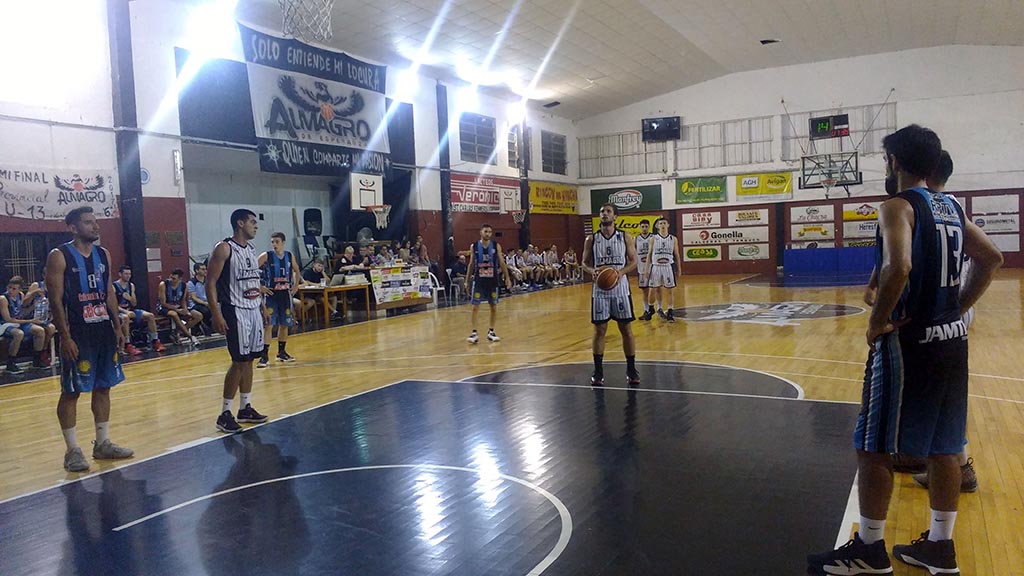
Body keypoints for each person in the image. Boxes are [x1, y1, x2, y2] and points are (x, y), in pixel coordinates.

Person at [808, 126, 1003, 575]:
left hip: (908, 344)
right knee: (945, 448)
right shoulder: (952, 206)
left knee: (874, 447)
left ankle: (869, 550)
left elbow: (899, 266)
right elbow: (991, 258)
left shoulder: (896, 206)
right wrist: (956, 308)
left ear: (894, 161)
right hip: (951, 341)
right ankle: (940, 546)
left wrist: (877, 322)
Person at [45, 206, 134, 472]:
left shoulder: (103, 254)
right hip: (77, 332)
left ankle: (103, 443)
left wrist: (117, 326)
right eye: (88, 222)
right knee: (71, 391)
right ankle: (72, 450)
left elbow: (108, 293)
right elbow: (55, 300)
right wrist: (65, 336)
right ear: (73, 227)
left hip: (103, 330)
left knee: (104, 386)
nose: (96, 226)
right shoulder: (59, 256)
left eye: (96, 222)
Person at [206, 208, 270, 434]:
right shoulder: (224, 248)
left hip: (253, 309)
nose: (256, 226)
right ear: (240, 223)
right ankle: (224, 414)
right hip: (235, 310)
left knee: (250, 360)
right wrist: (216, 313)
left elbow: (253, 282)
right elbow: (210, 282)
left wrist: (262, 307)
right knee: (238, 361)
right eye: (252, 222)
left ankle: (245, 408)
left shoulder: (251, 249)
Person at [582, 203, 640, 387]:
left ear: (615, 216)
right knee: (599, 330)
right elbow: (584, 263)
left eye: (608, 212)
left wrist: (620, 272)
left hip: (621, 289)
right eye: (602, 211)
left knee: (626, 330)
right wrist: (592, 271)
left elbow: (634, 261)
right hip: (599, 291)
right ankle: (598, 372)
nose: (604, 214)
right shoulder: (591, 239)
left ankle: (631, 369)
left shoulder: (625, 236)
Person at [464, 224, 513, 344]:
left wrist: (507, 277)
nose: (488, 234)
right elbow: (471, 264)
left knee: (493, 306)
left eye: (490, 232)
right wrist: (467, 280)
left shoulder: (496, 246)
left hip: (492, 281)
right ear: (481, 232)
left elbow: (501, 262)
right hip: (479, 280)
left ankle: (491, 331)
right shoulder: (474, 246)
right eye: (486, 231)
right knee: (475, 306)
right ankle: (474, 333)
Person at [257, 232, 300, 367]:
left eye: (277, 242)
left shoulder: (289, 255)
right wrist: (260, 287)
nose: (274, 244)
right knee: (269, 325)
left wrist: (296, 285)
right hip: (271, 294)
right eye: (272, 242)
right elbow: (251, 271)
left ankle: (281, 352)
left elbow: (297, 270)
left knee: (284, 324)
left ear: (283, 242)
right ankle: (264, 356)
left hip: (285, 294)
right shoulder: (266, 255)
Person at [1, 276, 49, 373]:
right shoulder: (3, 298)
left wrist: (33, 307)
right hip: (5, 325)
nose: (10, 290)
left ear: (19, 290)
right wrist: (31, 321)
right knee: (19, 334)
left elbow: (22, 313)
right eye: (9, 287)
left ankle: (37, 360)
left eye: (14, 289)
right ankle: (10, 363)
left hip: (19, 322)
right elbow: (8, 319)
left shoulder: (21, 295)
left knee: (40, 331)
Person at [113, 265, 164, 354]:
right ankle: (127, 344)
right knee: (125, 318)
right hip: (119, 311)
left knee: (150, 316)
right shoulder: (114, 286)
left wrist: (129, 298)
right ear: (120, 274)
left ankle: (155, 341)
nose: (128, 276)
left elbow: (134, 303)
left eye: (129, 274)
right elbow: (113, 305)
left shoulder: (131, 285)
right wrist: (126, 311)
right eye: (126, 274)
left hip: (130, 310)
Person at [643, 218, 683, 322]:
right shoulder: (653, 239)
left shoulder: (673, 239)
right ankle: (651, 308)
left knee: (670, 290)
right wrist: (646, 269)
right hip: (656, 266)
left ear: (668, 225)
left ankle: (670, 311)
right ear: (658, 226)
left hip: (668, 266)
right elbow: (649, 254)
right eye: (660, 223)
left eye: (664, 223)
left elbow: (677, 254)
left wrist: (679, 269)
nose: (663, 225)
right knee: (652, 289)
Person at [156, 268, 202, 346]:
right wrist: (177, 310)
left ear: (180, 278)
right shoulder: (163, 284)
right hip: (164, 307)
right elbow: (163, 303)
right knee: (174, 314)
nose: (171, 279)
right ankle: (191, 337)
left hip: (178, 306)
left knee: (198, 316)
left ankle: (178, 332)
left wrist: (185, 309)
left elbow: (183, 300)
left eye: (174, 278)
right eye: (170, 277)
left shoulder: (184, 285)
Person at [22, 275, 57, 367]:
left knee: (51, 328)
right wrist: (33, 293)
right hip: (30, 318)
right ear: (44, 275)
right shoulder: (36, 285)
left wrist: (52, 313)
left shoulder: (54, 286)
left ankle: (43, 353)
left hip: (43, 318)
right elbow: (24, 303)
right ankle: (36, 358)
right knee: (40, 331)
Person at [633, 219, 653, 319]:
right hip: (641, 268)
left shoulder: (653, 237)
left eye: (646, 226)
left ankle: (658, 308)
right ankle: (646, 310)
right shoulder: (636, 239)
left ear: (649, 227)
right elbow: (632, 252)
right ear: (640, 227)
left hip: (653, 268)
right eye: (642, 227)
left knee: (656, 289)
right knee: (644, 291)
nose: (644, 228)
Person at [188, 261, 212, 333]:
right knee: (206, 311)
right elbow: (194, 298)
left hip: (206, 302)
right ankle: (203, 327)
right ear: (197, 271)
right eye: (203, 269)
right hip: (195, 304)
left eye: (205, 269)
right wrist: (205, 303)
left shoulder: (208, 281)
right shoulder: (192, 282)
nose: (205, 271)